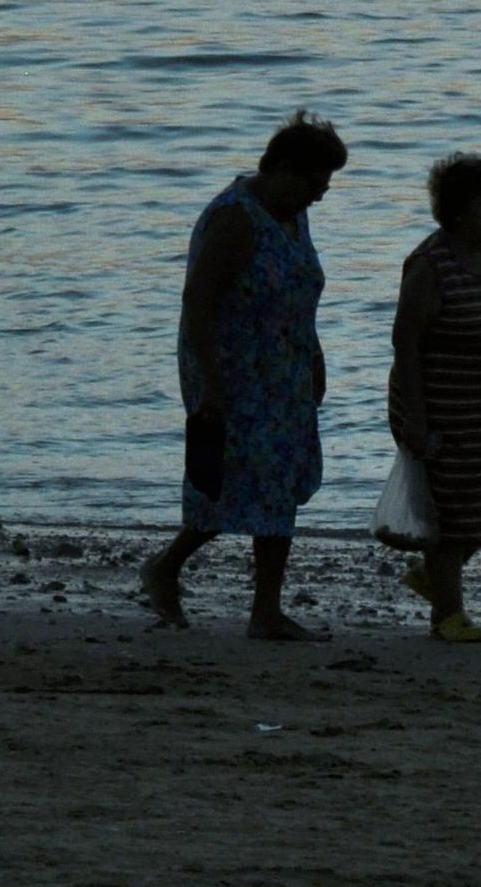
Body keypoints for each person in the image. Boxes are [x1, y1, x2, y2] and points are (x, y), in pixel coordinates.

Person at [140, 111, 344, 638]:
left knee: (275, 483)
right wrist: (210, 384)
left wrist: (314, 356)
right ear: (280, 168)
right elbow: (198, 302)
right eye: (314, 181)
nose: (320, 194)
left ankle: (260, 607)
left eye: (325, 184)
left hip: (282, 365)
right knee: (234, 483)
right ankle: (188, 576)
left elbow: (297, 291)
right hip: (233, 369)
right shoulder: (237, 217)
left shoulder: (290, 212)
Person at [384, 153, 481, 646]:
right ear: (455, 210)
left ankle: (436, 580)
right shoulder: (431, 265)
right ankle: (447, 614)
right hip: (445, 411)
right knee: (451, 516)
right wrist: (415, 419)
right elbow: (405, 343)